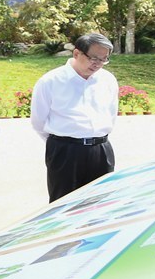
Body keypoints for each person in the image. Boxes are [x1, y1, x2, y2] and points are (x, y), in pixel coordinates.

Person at [30, 33, 118, 202]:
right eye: (94, 58)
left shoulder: (108, 80)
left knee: (100, 203)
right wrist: (63, 141)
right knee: (63, 204)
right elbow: (38, 121)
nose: (98, 64)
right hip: (66, 151)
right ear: (77, 53)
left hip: (101, 149)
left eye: (104, 59)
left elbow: (111, 114)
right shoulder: (51, 81)